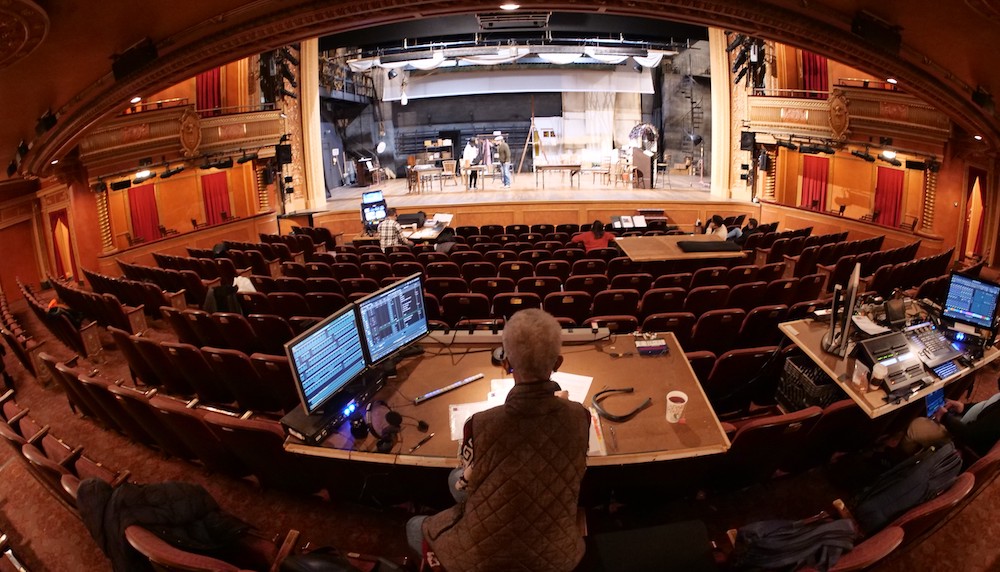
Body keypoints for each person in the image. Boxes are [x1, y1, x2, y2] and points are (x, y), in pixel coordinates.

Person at [406, 309, 590, 571]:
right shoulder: (579, 416)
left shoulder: (479, 424)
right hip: (556, 552)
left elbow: (467, 481)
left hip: (484, 557)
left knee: (415, 525)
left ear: (506, 364)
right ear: (558, 363)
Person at [902, 391, 1000, 457]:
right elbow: (985, 407)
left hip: (960, 441)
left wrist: (945, 418)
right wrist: (962, 408)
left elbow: (971, 436)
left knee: (916, 425)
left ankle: (898, 462)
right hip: (963, 425)